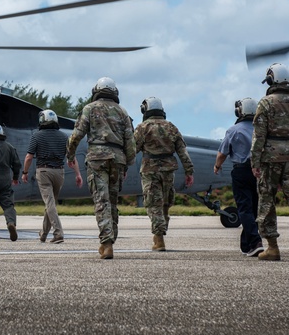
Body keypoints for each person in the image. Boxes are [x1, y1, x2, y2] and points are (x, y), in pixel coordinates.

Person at [250, 63, 289, 262]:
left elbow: (258, 136)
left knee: (267, 199)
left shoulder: (266, 103)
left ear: (271, 80)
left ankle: (272, 248)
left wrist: (255, 161)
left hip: (271, 156)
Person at [66, 77, 135, 260]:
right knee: (112, 201)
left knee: (101, 200)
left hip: (97, 158)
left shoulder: (90, 109)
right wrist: (127, 163)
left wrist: (70, 155)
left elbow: (76, 135)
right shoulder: (123, 112)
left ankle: (106, 243)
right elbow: (130, 142)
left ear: (96, 90)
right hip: (117, 159)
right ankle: (111, 240)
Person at [133, 97, 194, 252]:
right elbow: (182, 151)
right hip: (168, 171)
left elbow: (132, 150)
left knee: (154, 204)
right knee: (165, 203)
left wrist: (122, 167)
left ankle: (159, 239)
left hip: (150, 170)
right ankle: (160, 233)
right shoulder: (172, 127)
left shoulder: (142, 128)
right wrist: (189, 171)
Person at [214, 97, 265, 257]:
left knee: (244, 208)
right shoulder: (262, 129)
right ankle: (247, 245)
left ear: (239, 111)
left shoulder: (233, 130)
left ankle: (256, 241)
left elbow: (222, 153)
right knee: (255, 209)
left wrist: (217, 166)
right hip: (260, 172)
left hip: (241, 171)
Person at [22, 109, 79, 244]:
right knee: (50, 203)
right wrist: (77, 174)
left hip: (44, 172)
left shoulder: (37, 136)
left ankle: (58, 233)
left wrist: (24, 172)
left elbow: (29, 156)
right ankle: (43, 234)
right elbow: (72, 158)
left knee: (49, 203)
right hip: (59, 173)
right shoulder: (64, 136)